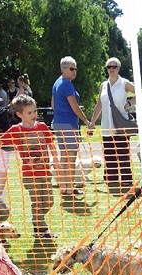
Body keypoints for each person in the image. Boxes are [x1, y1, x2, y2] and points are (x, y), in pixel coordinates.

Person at [0, 94, 57, 238]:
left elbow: (51, 144)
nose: (34, 115)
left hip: (45, 172)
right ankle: (40, 229)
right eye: (29, 112)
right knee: (37, 201)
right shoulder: (16, 130)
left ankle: (36, 218)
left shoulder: (43, 127)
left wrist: (56, 160)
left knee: (49, 201)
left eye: (35, 111)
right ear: (19, 114)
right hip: (29, 174)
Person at [89, 57, 135, 193]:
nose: (111, 69)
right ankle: (111, 178)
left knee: (123, 152)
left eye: (114, 66)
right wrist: (92, 122)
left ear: (119, 68)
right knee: (109, 153)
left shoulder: (124, 83)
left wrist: (130, 104)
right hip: (106, 124)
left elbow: (140, 92)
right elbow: (99, 105)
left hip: (120, 124)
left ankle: (126, 178)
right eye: (109, 67)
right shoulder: (103, 85)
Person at [51, 56, 94, 198]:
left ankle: (65, 187)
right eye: (71, 68)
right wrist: (87, 121)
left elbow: (53, 105)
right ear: (63, 69)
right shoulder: (67, 85)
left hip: (58, 123)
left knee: (65, 157)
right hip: (68, 124)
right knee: (70, 157)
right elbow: (75, 107)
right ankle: (68, 188)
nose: (74, 71)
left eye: (75, 68)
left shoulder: (57, 83)